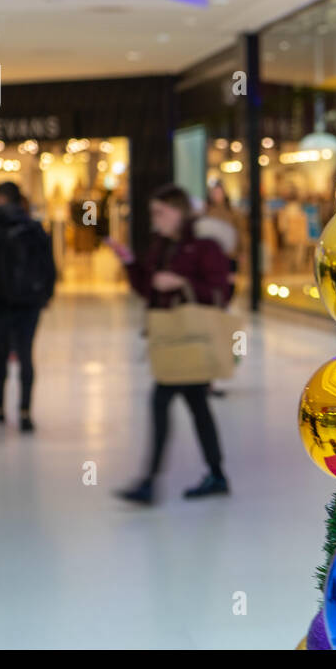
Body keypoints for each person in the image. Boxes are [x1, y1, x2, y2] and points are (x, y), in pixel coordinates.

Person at [109, 184, 232, 504]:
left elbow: (220, 292)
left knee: (162, 401)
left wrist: (183, 283)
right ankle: (216, 474)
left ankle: (150, 481)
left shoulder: (205, 246)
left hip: (192, 338)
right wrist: (130, 263)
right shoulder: (161, 247)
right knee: (197, 405)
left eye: (160, 213)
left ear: (179, 212)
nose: (156, 219)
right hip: (173, 339)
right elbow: (147, 290)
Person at [0, 180, 55, 432]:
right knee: (26, 355)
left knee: (0, 355)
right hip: (29, 303)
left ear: (0, 199)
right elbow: (49, 266)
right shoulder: (35, 228)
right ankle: (25, 412)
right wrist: (45, 295)